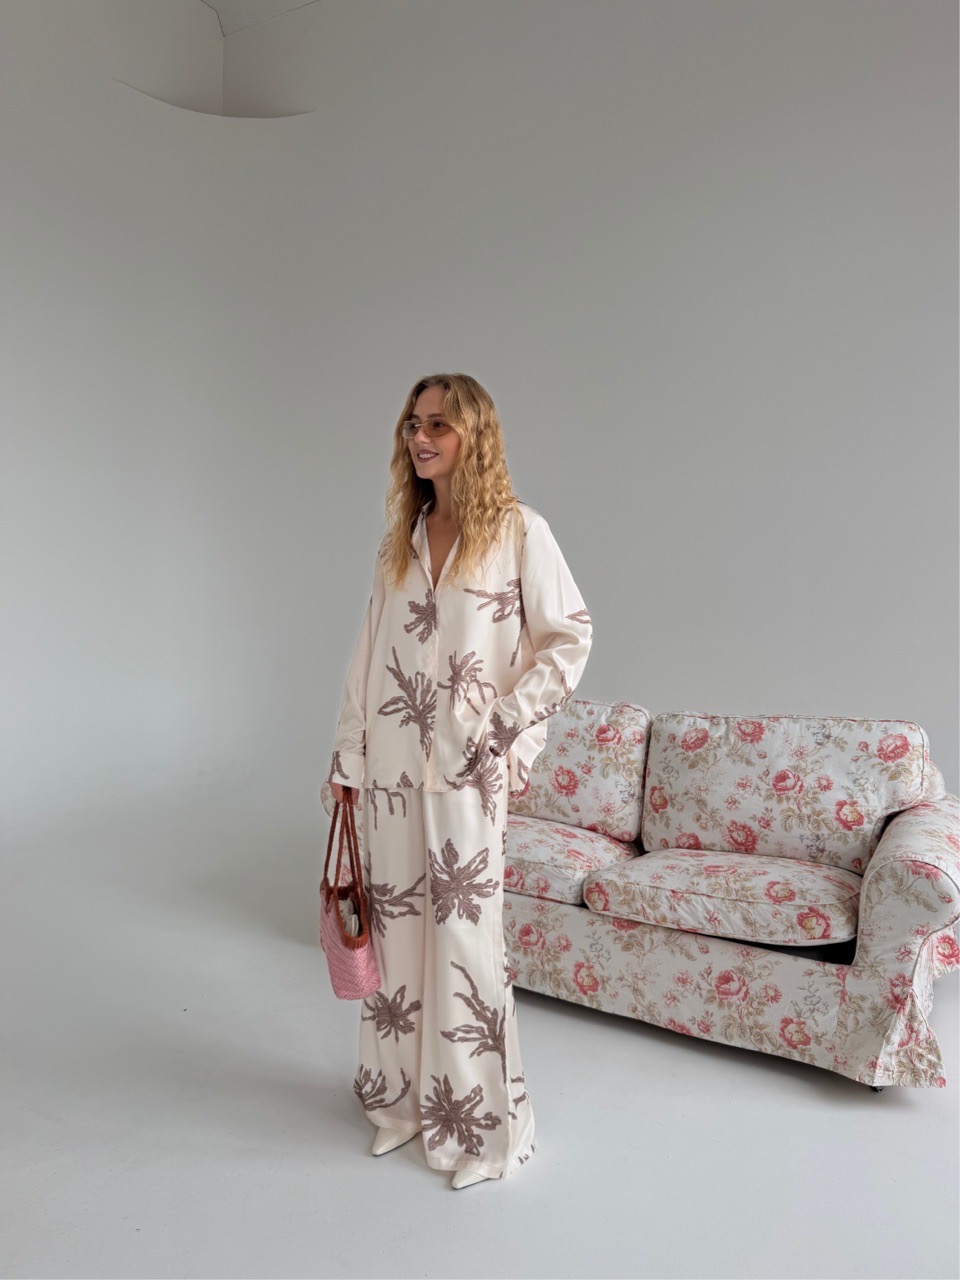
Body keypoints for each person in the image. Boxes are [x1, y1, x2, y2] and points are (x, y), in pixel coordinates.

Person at [327, 372, 593, 1187]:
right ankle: (402, 1107)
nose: (420, 437)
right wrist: (347, 759)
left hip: (468, 775)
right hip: (390, 775)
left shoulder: (519, 532)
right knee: (398, 943)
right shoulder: (402, 538)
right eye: (414, 423)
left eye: (438, 424)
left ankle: (482, 1134)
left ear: (473, 433)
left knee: (466, 950)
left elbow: (568, 639)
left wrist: (504, 725)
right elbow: (368, 655)